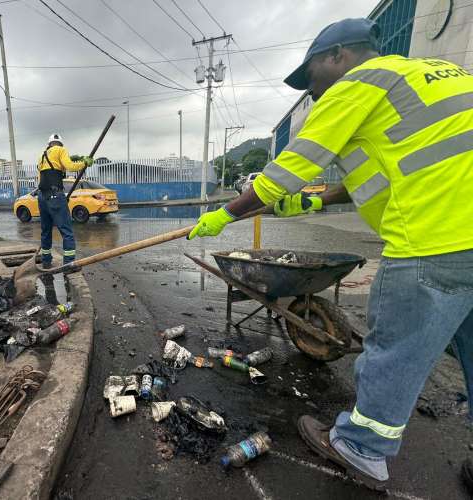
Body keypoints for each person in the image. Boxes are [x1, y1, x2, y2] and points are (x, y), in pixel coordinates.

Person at [189, 17, 473, 491]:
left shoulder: (359, 84)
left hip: (434, 241)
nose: (311, 91)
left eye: (310, 77)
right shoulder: (440, 73)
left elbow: (285, 173)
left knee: (395, 352)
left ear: (338, 56)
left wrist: (225, 215)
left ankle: (362, 447)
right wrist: (319, 200)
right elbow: (394, 167)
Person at [36, 133, 93, 268]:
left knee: (46, 231)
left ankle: (46, 261)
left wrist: (73, 158)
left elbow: (53, 167)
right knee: (66, 231)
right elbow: (69, 166)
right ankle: (69, 264)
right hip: (55, 194)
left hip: (42, 196)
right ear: (60, 144)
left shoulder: (43, 156)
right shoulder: (61, 150)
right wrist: (84, 162)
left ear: (49, 144)